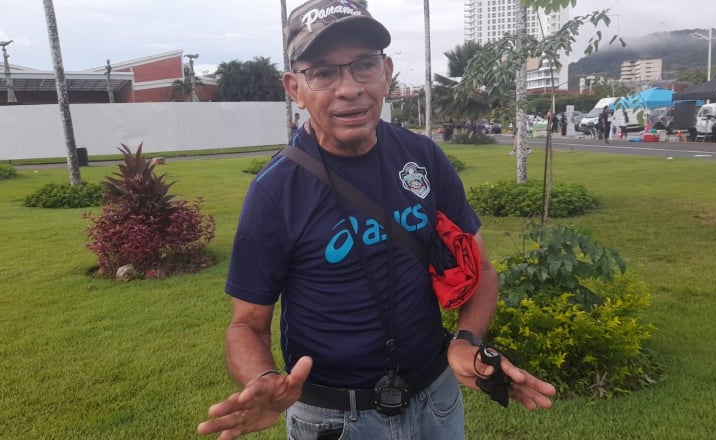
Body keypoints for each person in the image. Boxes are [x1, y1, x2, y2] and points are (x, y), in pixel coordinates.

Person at [196, 2, 555, 439]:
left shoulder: (422, 157)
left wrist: (466, 340)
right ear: (295, 87)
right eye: (324, 72)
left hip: (435, 402)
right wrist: (263, 380)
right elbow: (246, 323)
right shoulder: (275, 192)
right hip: (333, 419)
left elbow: (480, 267)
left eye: (364, 65)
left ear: (386, 71)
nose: (350, 89)